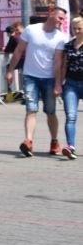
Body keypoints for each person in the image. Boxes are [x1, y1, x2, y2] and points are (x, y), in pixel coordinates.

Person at [6, 7, 68, 157]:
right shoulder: (31, 30)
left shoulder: (60, 37)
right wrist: (10, 70)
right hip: (30, 76)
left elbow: (59, 62)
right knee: (31, 109)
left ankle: (54, 141)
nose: (62, 22)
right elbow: (19, 51)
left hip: (50, 78)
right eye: (60, 18)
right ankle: (28, 141)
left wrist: (58, 83)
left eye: (63, 19)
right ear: (51, 14)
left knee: (50, 112)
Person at [55, 16, 83, 160]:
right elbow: (64, 65)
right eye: (74, 28)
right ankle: (70, 146)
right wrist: (59, 83)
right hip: (71, 83)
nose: (77, 31)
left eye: (79, 28)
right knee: (71, 116)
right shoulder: (69, 45)